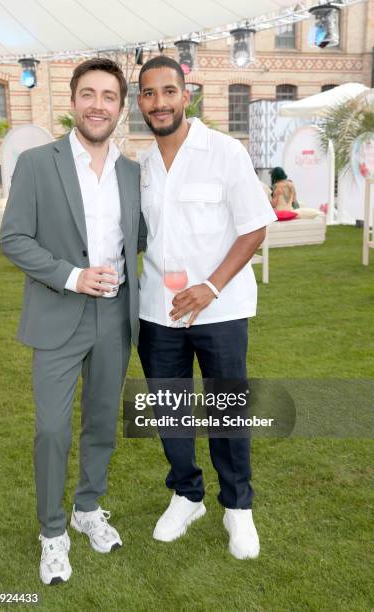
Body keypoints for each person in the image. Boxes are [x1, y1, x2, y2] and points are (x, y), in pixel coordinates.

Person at [0, 58, 141, 585]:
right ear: (74, 102)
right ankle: (53, 532)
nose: (97, 104)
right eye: (88, 94)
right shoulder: (39, 163)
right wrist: (71, 276)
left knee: (102, 423)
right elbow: (13, 238)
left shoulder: (132, 172)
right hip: (59, 313)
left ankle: (87, 509)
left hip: (116, 317)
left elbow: (140, 238)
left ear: (120, 108)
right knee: (53, 429)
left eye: (108, 96)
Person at [136, 56, 276, 560]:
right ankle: (187, 494)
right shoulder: (144, 165)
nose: (160, 103)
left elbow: (255, 225)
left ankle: (238, 508)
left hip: (220, 310)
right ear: (141, 103)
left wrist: (211, 287)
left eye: (168, 92)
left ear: (186, 95)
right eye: (149, 94)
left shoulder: (224, 152)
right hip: (158, 313)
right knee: (169, 412)